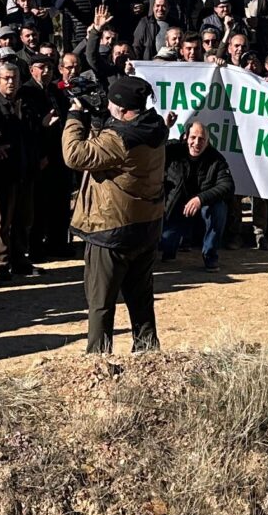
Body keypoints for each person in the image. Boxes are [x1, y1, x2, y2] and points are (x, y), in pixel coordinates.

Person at [62, 72, 166, 356]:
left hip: (111, 229)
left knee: (100, 302)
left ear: (122, 110)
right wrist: (100, 123)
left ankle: (97, 359)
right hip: (146, 225)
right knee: (141, 299)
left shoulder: (119, 138)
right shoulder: (154, 126)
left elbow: (74, 155)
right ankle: (148, 355)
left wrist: (75, 117)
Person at [161, 115, 233, 270]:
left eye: (202, 139)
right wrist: (165, 127)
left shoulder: (216, 159)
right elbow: (153, 149)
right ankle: (169, 250)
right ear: (186, 137)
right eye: (193, 137)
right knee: (166, 242)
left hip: (202, 208)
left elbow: (227, 185)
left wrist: (200, 199)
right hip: (175, 208)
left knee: (219, 208)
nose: (197, 143)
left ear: (207, 141)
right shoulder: (173, 150)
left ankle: (210, 255)